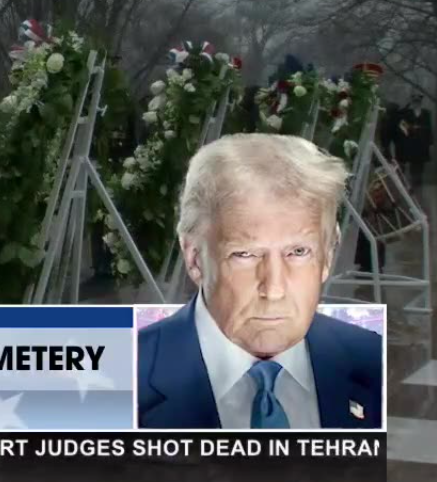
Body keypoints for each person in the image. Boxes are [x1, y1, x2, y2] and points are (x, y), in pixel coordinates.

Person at [137, 134, 384, 430]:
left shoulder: (373, 360)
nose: (274, 289)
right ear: (194, 259)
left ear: (328, 254)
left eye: (298, 252)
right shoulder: (117, 379)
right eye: (245, 254)